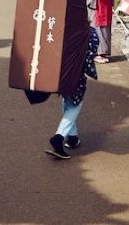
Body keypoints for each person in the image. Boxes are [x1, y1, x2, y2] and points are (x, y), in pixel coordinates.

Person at [46, 29, 99, 160]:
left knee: (68, 101)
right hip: (75, 75)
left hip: (59, 73)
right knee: (75, 105)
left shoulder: (59, 26)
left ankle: (73, 137)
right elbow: (89, 55)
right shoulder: (88, 32)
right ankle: (58, 137)